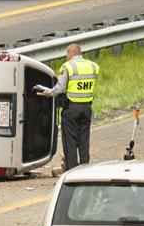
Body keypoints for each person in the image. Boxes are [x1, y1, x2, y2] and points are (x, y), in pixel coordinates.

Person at [38, 44, 99, 172]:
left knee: (70, 141)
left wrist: (48, 92)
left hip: (71, 108)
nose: (66, 57)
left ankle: (72, 171)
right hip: (87, 108)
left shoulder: (68, 67)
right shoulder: (93, 66)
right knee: (84, 140)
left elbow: (59, 88)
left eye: (67, 55)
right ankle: (85, 169)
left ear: (71, 53)